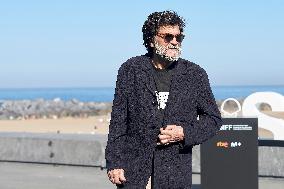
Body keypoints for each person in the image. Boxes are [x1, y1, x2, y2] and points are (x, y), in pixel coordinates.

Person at [105, 10, 222, 189]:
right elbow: (119, 121)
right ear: (152, 40)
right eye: (168, 37)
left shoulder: (195, 74)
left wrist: (184, 133)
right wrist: (114, 162)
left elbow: (213, 119)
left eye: (178, 37)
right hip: (135, 172)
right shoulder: (130, 70)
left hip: (175, 174)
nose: (174, 42)